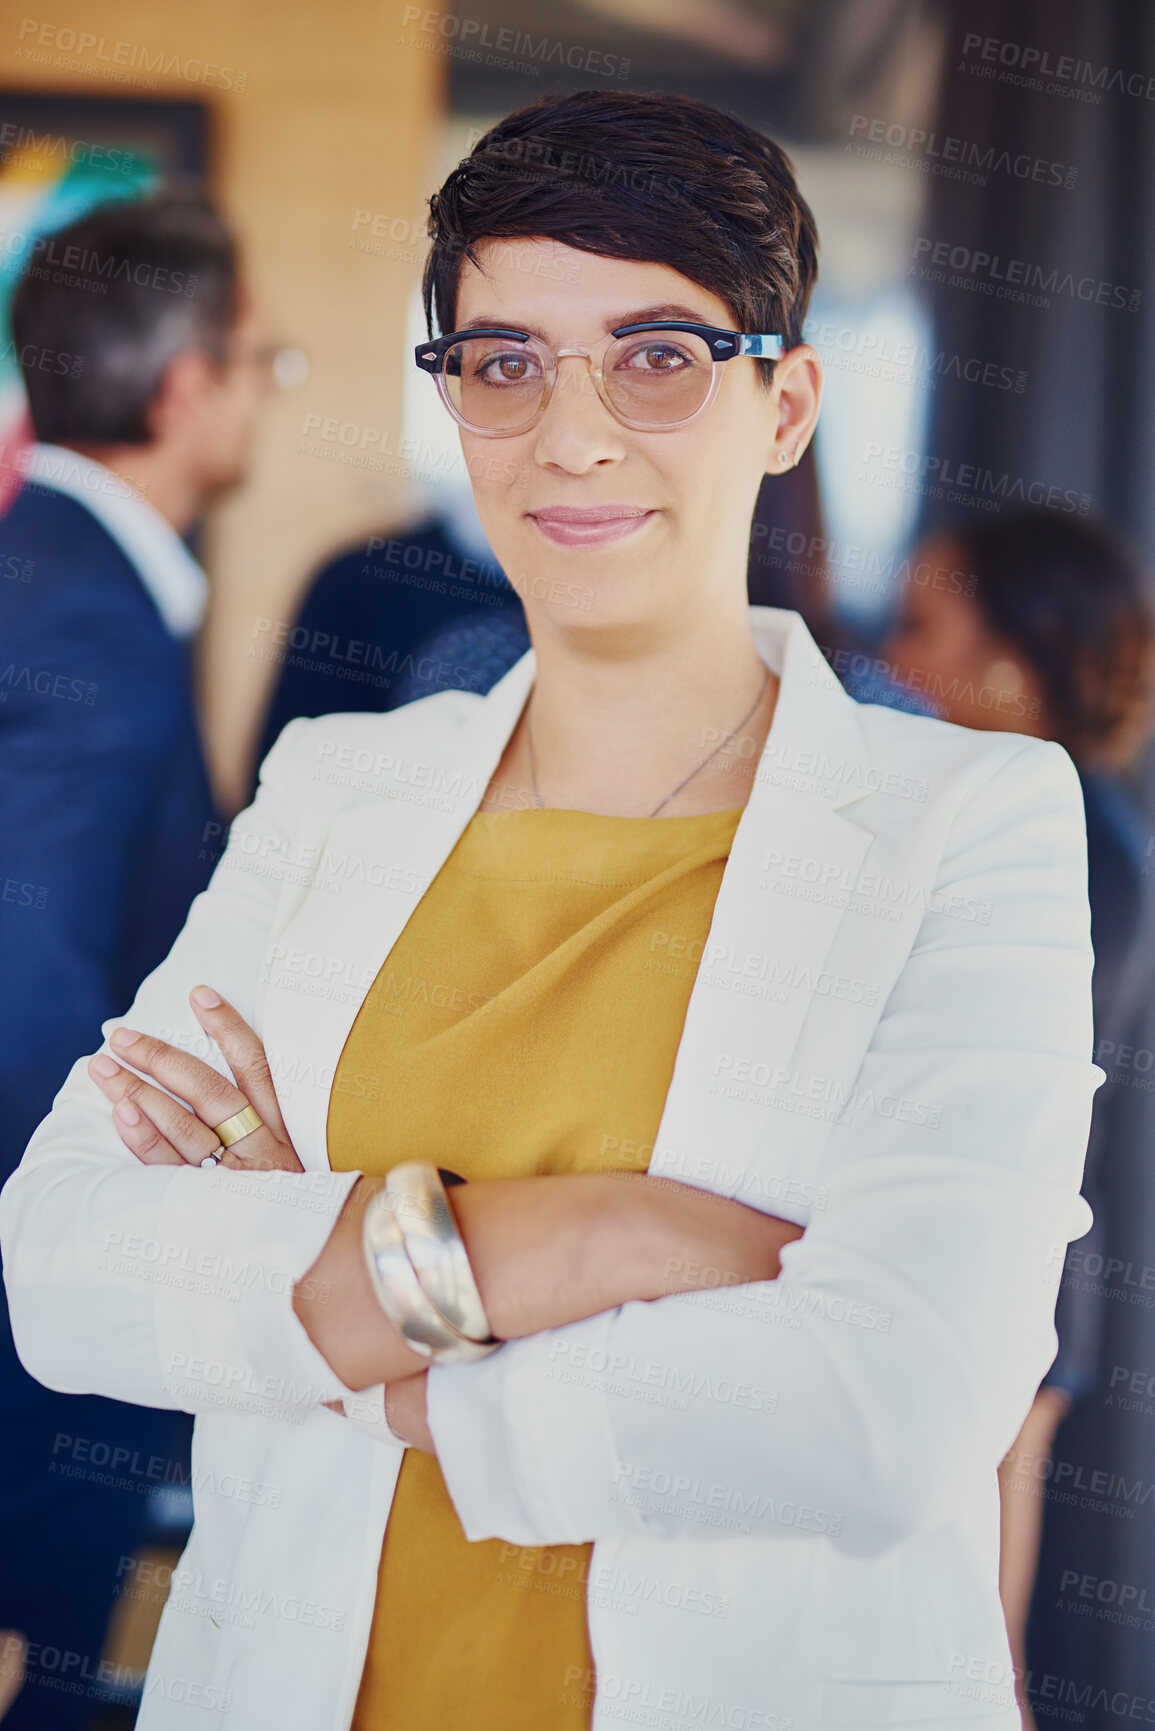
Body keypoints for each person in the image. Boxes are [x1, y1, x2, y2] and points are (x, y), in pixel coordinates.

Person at [1, 91, 1099, 1731]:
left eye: (657, 353)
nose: (570, 435)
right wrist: (592, 1235)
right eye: (505, 362)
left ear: (787, 400)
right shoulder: (337, 789)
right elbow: (67, 1262)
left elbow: (891, 1413)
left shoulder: (968, 823)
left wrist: (349, 1331)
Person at [0, 191, 273, 1727]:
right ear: (184, 391)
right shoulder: (90, 632)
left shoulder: (62, 580)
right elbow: (24, 992)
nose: (252, 390)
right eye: (254, 360)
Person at [881, 510, 1155, 1725]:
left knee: (965, 1655)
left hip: (1003, 1278)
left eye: (918, 626)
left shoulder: (1067, 832)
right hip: (995, 1271)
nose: (885, 659)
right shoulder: (1056, 817)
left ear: (1016, 656)